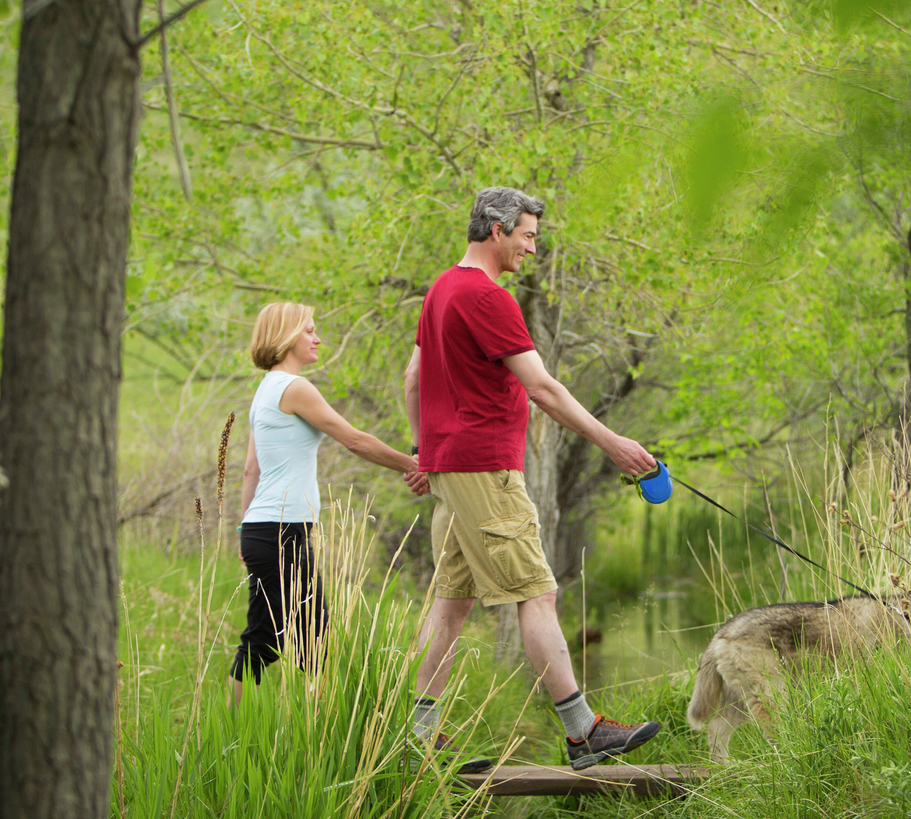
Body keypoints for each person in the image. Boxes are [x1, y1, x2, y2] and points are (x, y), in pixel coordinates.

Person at [402, 186, 662, 772]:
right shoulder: (486, 297)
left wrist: (425, 449)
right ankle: (583, 732)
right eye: (528, 236)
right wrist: (612, 443)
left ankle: (414, 741)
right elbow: (542, 388)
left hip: (452, 469)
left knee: (451, 607)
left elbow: (413, 377)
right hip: (487, 469)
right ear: (496, 230)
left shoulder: (441, 289)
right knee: (538, 594)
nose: (532, 249)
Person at [230, 302, 426, 706]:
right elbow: (353, 439)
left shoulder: (265, 390)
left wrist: (243, 531)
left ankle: (317, 735)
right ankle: (235, 734)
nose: (317, 339)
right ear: (286, 337)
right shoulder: (293, 388)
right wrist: (415, 464)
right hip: (281, 531)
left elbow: (252, 470)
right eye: (309, 331)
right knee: (272, 640)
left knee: (309, 641)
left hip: (267, 529)